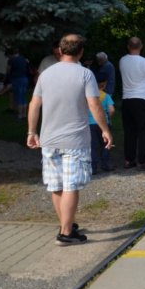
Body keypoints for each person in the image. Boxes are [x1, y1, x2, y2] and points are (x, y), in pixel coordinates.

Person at [27, 34, 112, 245]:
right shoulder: (85, 74)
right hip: (75, 140)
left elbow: (34, 104)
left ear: (61, 50)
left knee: (56, 185)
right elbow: (94, 105)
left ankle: (66, 223)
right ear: (81, 52)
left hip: (48, 139)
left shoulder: (45, 74)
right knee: (70, 186)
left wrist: (31, 132)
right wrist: (105, 129)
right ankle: (66, 233)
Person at [119, 37, 145, 171]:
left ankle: (129, 159)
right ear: (141, 46)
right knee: (144, 131)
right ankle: (142, 160)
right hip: (142, 99)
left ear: (128, 46)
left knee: (129, 131)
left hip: (126, 99)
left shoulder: (122, 60)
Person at [88, 75, 115, 174]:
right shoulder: (106, 96)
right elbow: (112, 109)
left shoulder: (89, 97)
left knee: (93, 145)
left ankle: (93, 167)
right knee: (105, 144)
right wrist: (109, 118)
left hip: (90, 124)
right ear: (104, 86)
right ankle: (105, 164)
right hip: (103, 123)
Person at [5, 48, 30, 120]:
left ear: (9, 54)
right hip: (25, 79)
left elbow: (8, 71)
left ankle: (20, 115)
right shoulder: (22, 58)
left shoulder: (11, 60)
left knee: (18, 98)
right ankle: (24, 114)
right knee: (23, 97)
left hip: (17, 80)